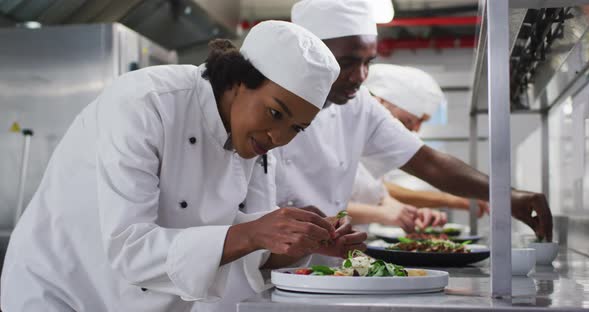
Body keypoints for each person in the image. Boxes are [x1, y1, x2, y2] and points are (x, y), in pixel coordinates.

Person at [0, 21, 353, 312]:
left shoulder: (257, 142)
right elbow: (131, 248)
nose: (279, 137)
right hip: (62, 293)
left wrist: (297, 241)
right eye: (276, 113)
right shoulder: (145, 104)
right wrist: (254, 232)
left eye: (297, 128)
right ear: (239, 81)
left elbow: (244, 253)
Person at [272, 0, 552, 242]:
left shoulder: (358, 105)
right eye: (346, 63)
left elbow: (427, 161)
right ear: (310, 54)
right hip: (264, 269)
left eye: (368, 62)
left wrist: (505, 194)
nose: (360, 76)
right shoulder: (268, 105)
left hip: (327, 266)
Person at [347, 64, 490, 232]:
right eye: (410, 120)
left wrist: (409, 213)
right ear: (382, 102)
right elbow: (324, 203)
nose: (416, 129)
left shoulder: (368, 142)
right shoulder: (345, 134)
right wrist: (380, 213)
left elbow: (378, 194)